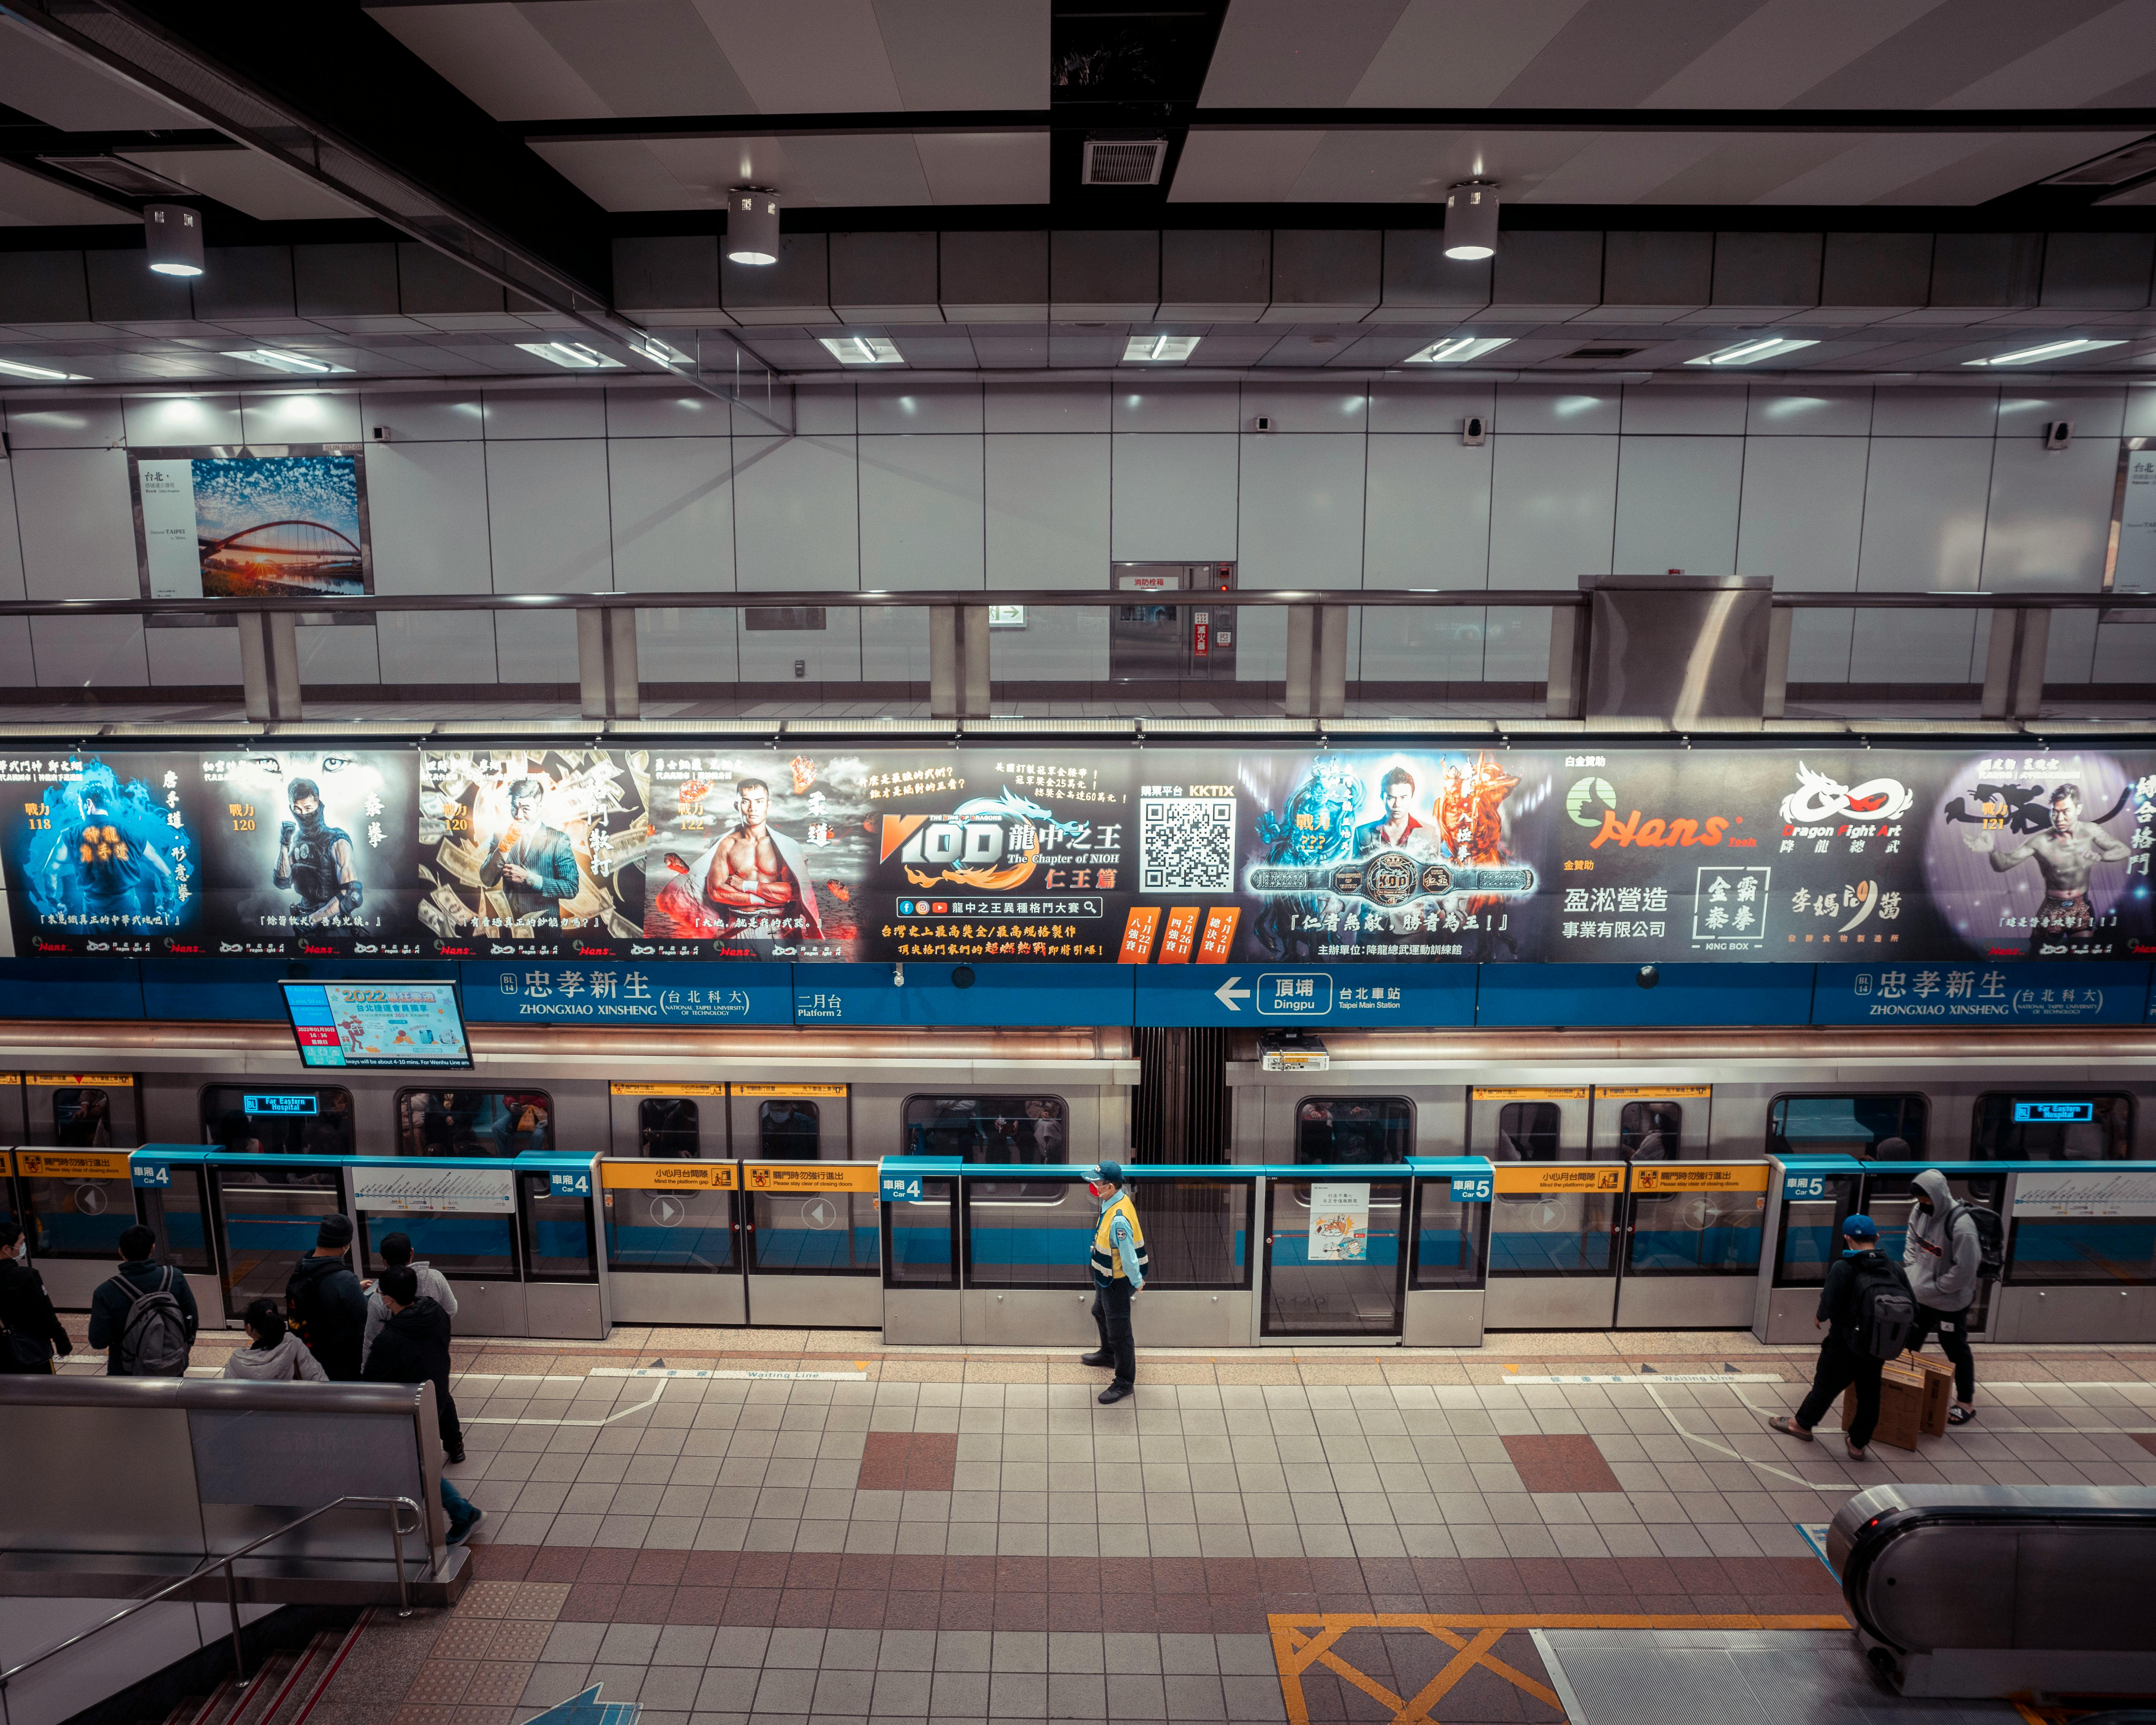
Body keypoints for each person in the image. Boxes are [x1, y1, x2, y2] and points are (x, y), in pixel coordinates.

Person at [1768, 1214, 1913, 1461]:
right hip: (1876, 1345)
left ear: (1847, 1239)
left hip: (1844, 1343)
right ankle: (1857, 1444)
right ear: (1876, 1238)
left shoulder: (1843, 1266)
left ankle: (1801, 1425)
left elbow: (1829, 1304)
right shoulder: (1892, 1267)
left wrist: (1820, 1317)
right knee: (1869, 1395)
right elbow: (1912, 1303)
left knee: (1825, 1386)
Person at [364, 1265, 482, 1544]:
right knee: (415, 1462)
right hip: (436, 1396)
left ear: (388, 1299)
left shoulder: (390, 1339)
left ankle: (463, 1513)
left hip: (408, 1411)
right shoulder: (436, 1312)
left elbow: (371, 1382)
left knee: (416, 1466)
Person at [648, 777, 825, 942]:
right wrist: (766, 898)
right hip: (737, 929)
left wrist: (746, 886)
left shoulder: (786, 846)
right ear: (737, 805)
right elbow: (716, 891)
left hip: (777, 929)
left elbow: (794, 892)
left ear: (768, 806)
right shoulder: (726, 845)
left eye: (759, 802)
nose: (752, 808)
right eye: (746, 801)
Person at [1961, 782, 2129, 955]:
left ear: (2078, 809)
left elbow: (2123, 850)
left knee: (2082, 957)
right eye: (2055, 812)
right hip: (2052, 908)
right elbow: (2003, 865)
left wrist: (2101, 857)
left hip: (2081, 906)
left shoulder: (2091, 831)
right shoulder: (2040, 841)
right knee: (2038, 956)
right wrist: (1992, 851)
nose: (2059, 818)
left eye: (2066, 812)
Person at [1903, 1169, 1980, 1427]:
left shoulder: (1962, 1226)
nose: (1922, 1204)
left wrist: (1937, 1286)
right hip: (1921, 1296)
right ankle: (1901, 1384)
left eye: (1926, 1199)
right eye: (1919, 1199)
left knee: (1955, 1348)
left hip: (1949, 1302)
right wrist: (1914, 1274)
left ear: (1938, 1195)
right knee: (1909, 1341)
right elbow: (1912, 1242)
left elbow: (1966, 1270)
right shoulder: (1919, 1212)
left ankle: (1965, 1402)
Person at [1079, 1160, 1147, 1406]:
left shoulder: (1119, 1218)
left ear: (1109, 1186)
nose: (1093, 1185)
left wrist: (1137, 1281)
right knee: (1098, 1310)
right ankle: (1108, 1355)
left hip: (1116, 1280)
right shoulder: (1115, 1199)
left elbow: (1129, 1257)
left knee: (1121, 1334)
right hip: (1104, 1275)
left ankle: (1124, 1382)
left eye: (1096, 1182)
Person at [89, 1224, 197, 1376]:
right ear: (153, 1249)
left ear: (121, 1252)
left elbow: (98, 1341)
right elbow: (192, 1320)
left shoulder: (105, 1292)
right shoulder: (175, 1278)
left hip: (126, 1371)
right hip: (171, 1366)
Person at [478, 776, 580, 927]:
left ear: (540, 807)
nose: (518, 816)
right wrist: (505, 846)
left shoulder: (558, 839)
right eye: (514, 807)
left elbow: (571, 888)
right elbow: (488, 880)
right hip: (510, 931)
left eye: (526, 809)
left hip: (546, 932)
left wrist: (529, 878)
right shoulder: (501, 837)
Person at [363, 1231, 458, 1375]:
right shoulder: (435, 1278)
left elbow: (370, 1341)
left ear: (384, 1261)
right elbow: (452, 1309)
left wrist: (365, 1373)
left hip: (399, 1367)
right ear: (412, 1253)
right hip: (432, 1361)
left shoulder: (380, 1297)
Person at [287, 1213, 368, 1381]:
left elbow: (321, 1291)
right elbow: (365, 1317)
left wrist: (352, 1290)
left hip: (310, 1350)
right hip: (341, 1356)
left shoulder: (301, 1265)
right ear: (344, 1245)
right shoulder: (345, 1279)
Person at [274, 777, 362, 929]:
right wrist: (284, 845)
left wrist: (312, 920)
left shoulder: (338, 842)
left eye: (308, 809)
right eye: (297, 809)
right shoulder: (298, 839)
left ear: (318, 804)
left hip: (333, 925)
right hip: (304, 920)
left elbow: (352, 896)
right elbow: (282, 881)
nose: (303, 814)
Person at [0, 1220, 72, 1373]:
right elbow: (46, 1314)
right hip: (31, 1352)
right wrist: (62, 1343)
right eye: (21, 1243)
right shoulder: (26, 1276)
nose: (22, 1248)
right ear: (6, 1249)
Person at [222, 1296, 327, 1382]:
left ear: (249, 1328)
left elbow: (228, 1400)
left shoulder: (236, 1363)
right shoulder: (294, 1345)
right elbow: (320, 1381)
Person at [1354, 767, 1433, 857]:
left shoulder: (1430, 834)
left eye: (1403, 798)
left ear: (1412, 797)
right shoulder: (1361, 834)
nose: (1397, 804)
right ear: (1382, 797)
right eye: (1391, 798)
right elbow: (1355, 871)